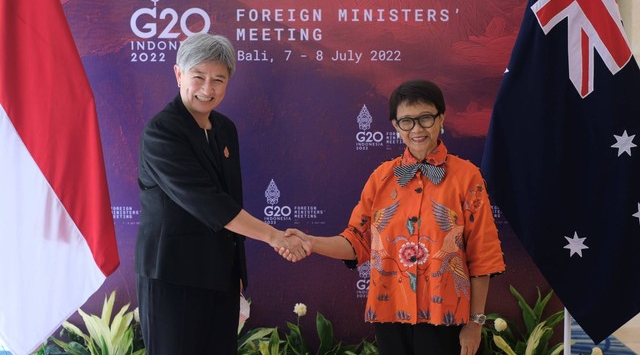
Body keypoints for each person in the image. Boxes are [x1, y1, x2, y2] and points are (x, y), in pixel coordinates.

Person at [282, 80, 506, 355]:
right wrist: (311, 242)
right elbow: (356, 241)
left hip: (446, 315)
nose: (417, 129)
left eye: (426, 118)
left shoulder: (467, 176)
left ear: (441, 118)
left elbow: (482, 254)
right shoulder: (381, 177)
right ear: (395, 126)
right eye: (407, 121)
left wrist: (475, 322)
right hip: (390, 312)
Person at [135, 33, 307, 355]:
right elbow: (210, 203)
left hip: (220, 278)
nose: (207, 89)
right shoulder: (163, 132)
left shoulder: (225, 128)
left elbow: (231, 198)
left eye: (218, 79)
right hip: (174, 279)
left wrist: (236, 273)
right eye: (198, 77)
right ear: (178, 74)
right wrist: (274, 236)